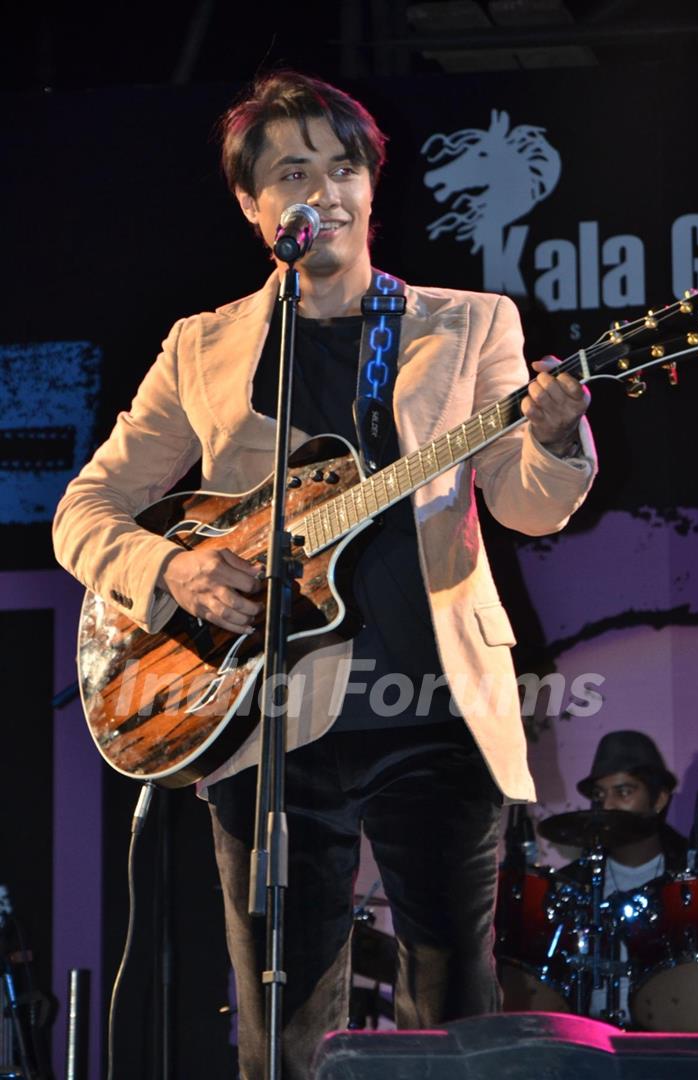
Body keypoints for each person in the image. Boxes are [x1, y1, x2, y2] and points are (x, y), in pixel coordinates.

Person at [53, 71, 596, 1078]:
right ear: (255, 206)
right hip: (265, 716)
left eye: (343, 167)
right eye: (295, 171)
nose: (326, 191)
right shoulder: (201, 347)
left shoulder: (470, 322)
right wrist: (180, 572)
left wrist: (557, 442)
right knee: (283, 1029)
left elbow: (524, 503)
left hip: (431, 706)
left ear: (371, 187)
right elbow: (83, 512)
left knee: (459, 1011)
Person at [563, 729, 686, 1024]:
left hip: (670, 1040)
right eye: (599, 795)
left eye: (624, 792)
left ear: (658, 800)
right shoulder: (573, 884)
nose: (607, 806)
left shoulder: (690, 878)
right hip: (588, 1044)